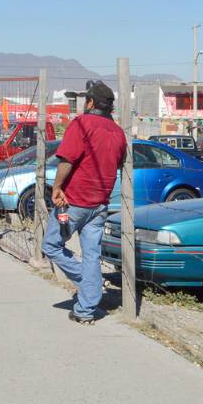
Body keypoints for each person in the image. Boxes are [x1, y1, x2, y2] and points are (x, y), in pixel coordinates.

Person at [42, 80, 127, 325]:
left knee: (51, 246)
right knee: (91, 255)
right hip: (100, 203)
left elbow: (67, 160)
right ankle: (86, 309)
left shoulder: (81, 123)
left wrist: (57, 187)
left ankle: (90, 286)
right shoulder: (118, 132)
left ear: (90, 103)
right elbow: (119, 162)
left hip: (74, 200)